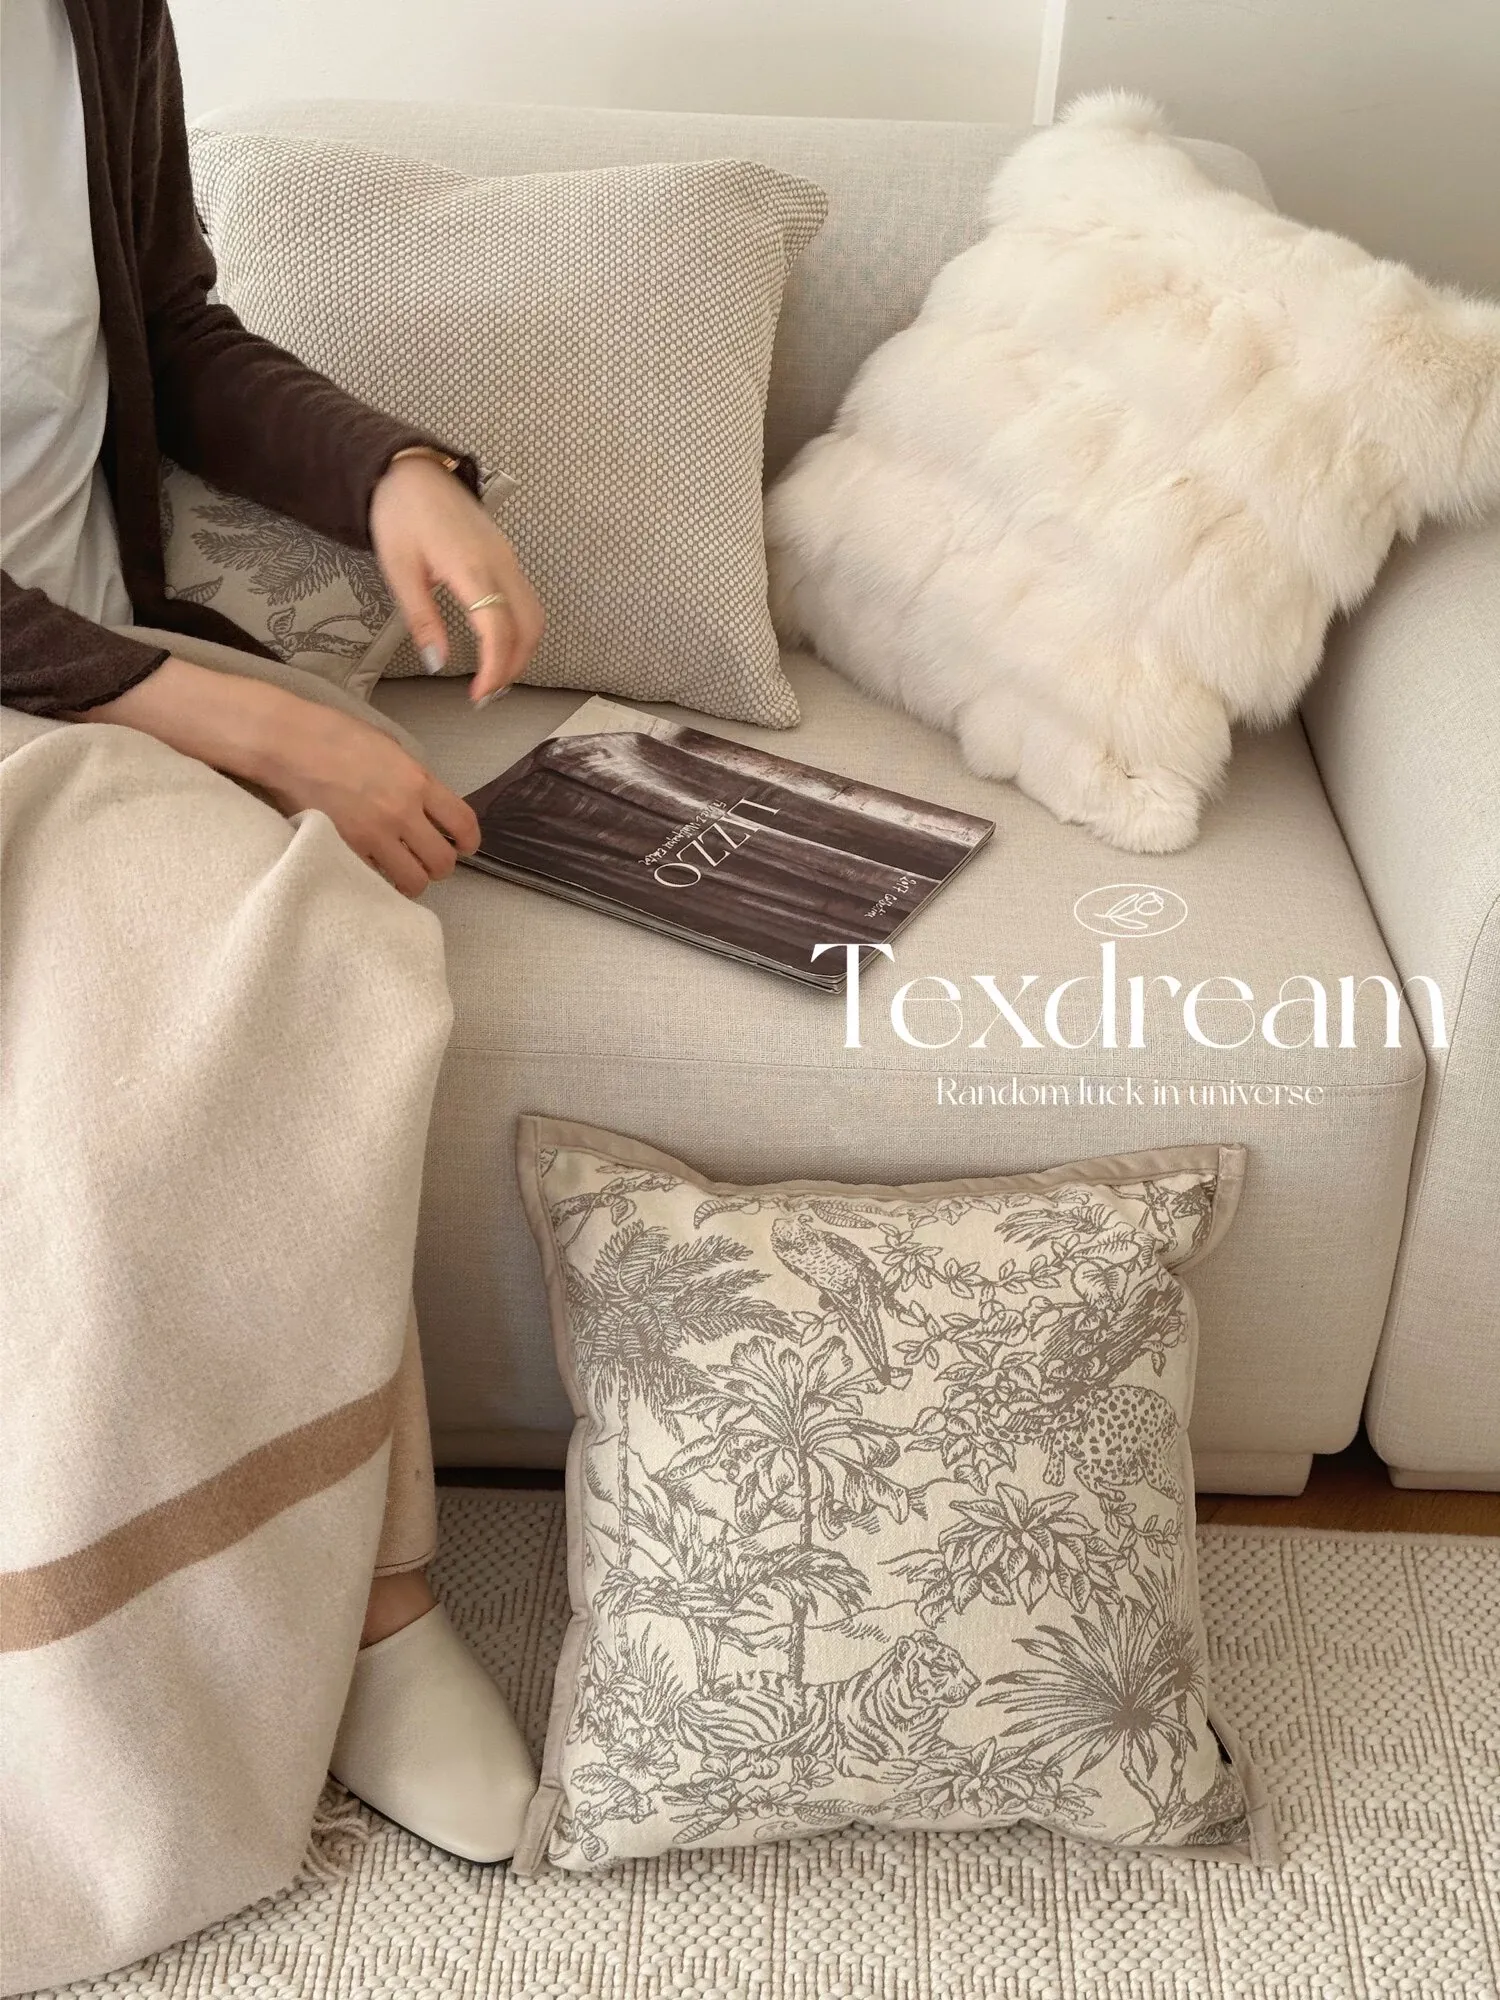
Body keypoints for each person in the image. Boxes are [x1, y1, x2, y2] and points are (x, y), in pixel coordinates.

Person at [0, 1, 547, 1990]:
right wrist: (215, 711)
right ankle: (347, 1615)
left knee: (285, 955)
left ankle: (367, 1605)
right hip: (90, 699)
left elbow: (173, 330)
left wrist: (397, 473)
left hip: (84, 674)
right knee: (118, 1096)